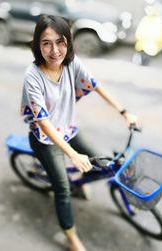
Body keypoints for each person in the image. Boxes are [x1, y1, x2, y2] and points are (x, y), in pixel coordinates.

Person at [21, 14, 137, 251]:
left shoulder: (72, 64)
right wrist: (72, 154)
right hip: (44, 139)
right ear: (37, 45)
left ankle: (78, 181)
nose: (55, 50)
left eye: (60, 42)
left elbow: (96, 87)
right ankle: (71, 237)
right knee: (62, 189)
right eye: (46, 43)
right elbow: (43, 122)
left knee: (103, 160)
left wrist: (125, 112)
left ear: (69, 42)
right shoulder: (32, 77)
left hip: (68, 129)